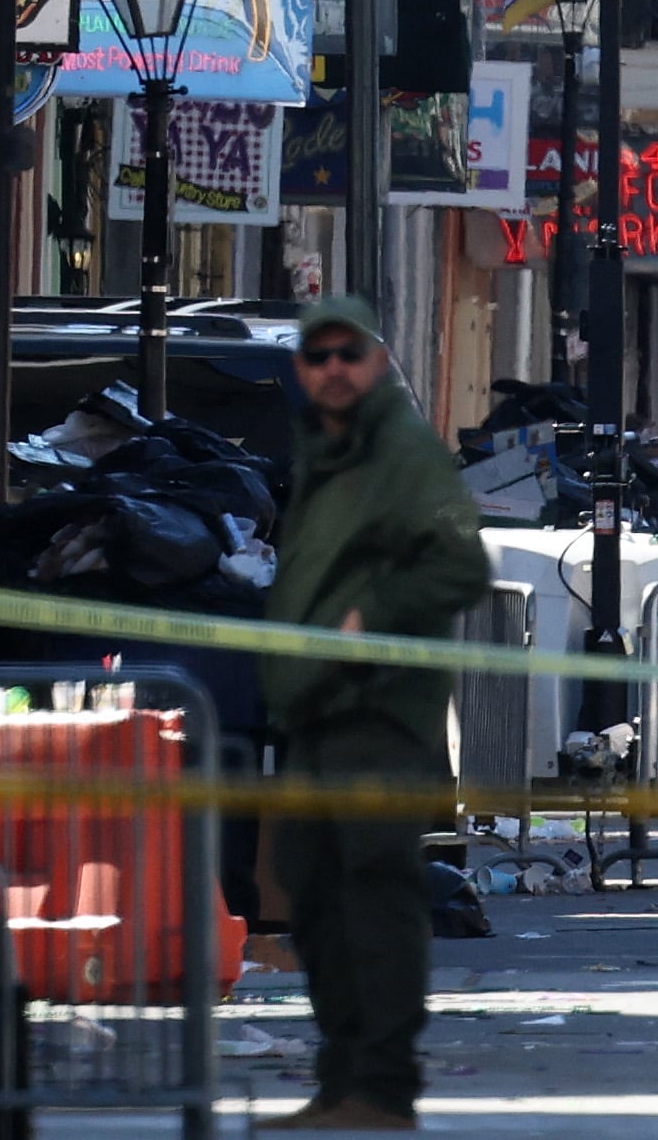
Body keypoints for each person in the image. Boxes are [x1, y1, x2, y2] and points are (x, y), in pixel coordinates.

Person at [265, 300, 495, 1134]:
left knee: (371, 889)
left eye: (347, 355)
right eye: (317, 355)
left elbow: (461, 567)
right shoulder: (331, 451)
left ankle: (380, 1084)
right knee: (309, 884)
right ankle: (344, 1078)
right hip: (319, 707)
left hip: (379, 709)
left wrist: (374, 613)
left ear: (375, 364)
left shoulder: (402, 452)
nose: (332, 369)